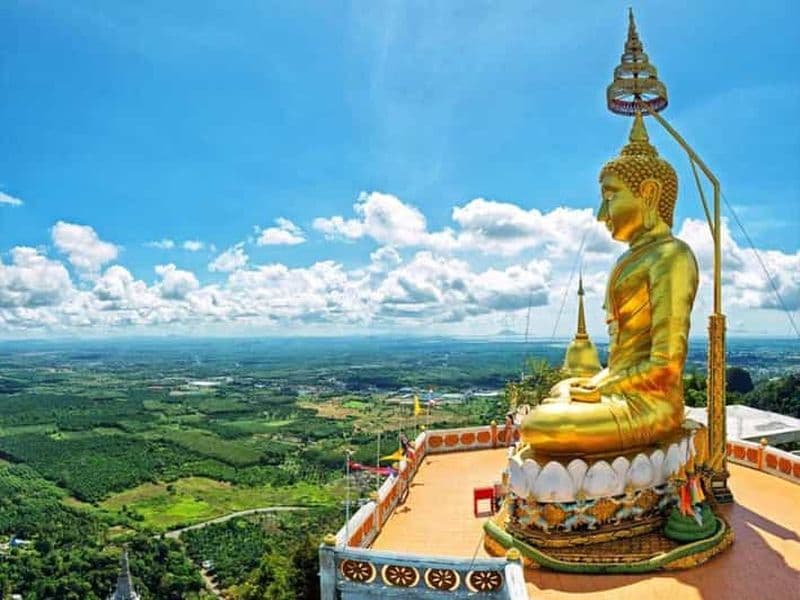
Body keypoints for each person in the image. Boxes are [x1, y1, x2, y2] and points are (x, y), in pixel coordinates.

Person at [521, 113, 698, 456]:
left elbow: (666, 364)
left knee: (542, 425)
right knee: (561, 391)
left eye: (610, 196)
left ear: (648, 192)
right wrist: (597, 382)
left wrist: (603, 384)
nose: (602, 213)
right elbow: (619, 362)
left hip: (652, 402)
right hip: (619, 387)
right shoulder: (629, 260)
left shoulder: (672, 256)